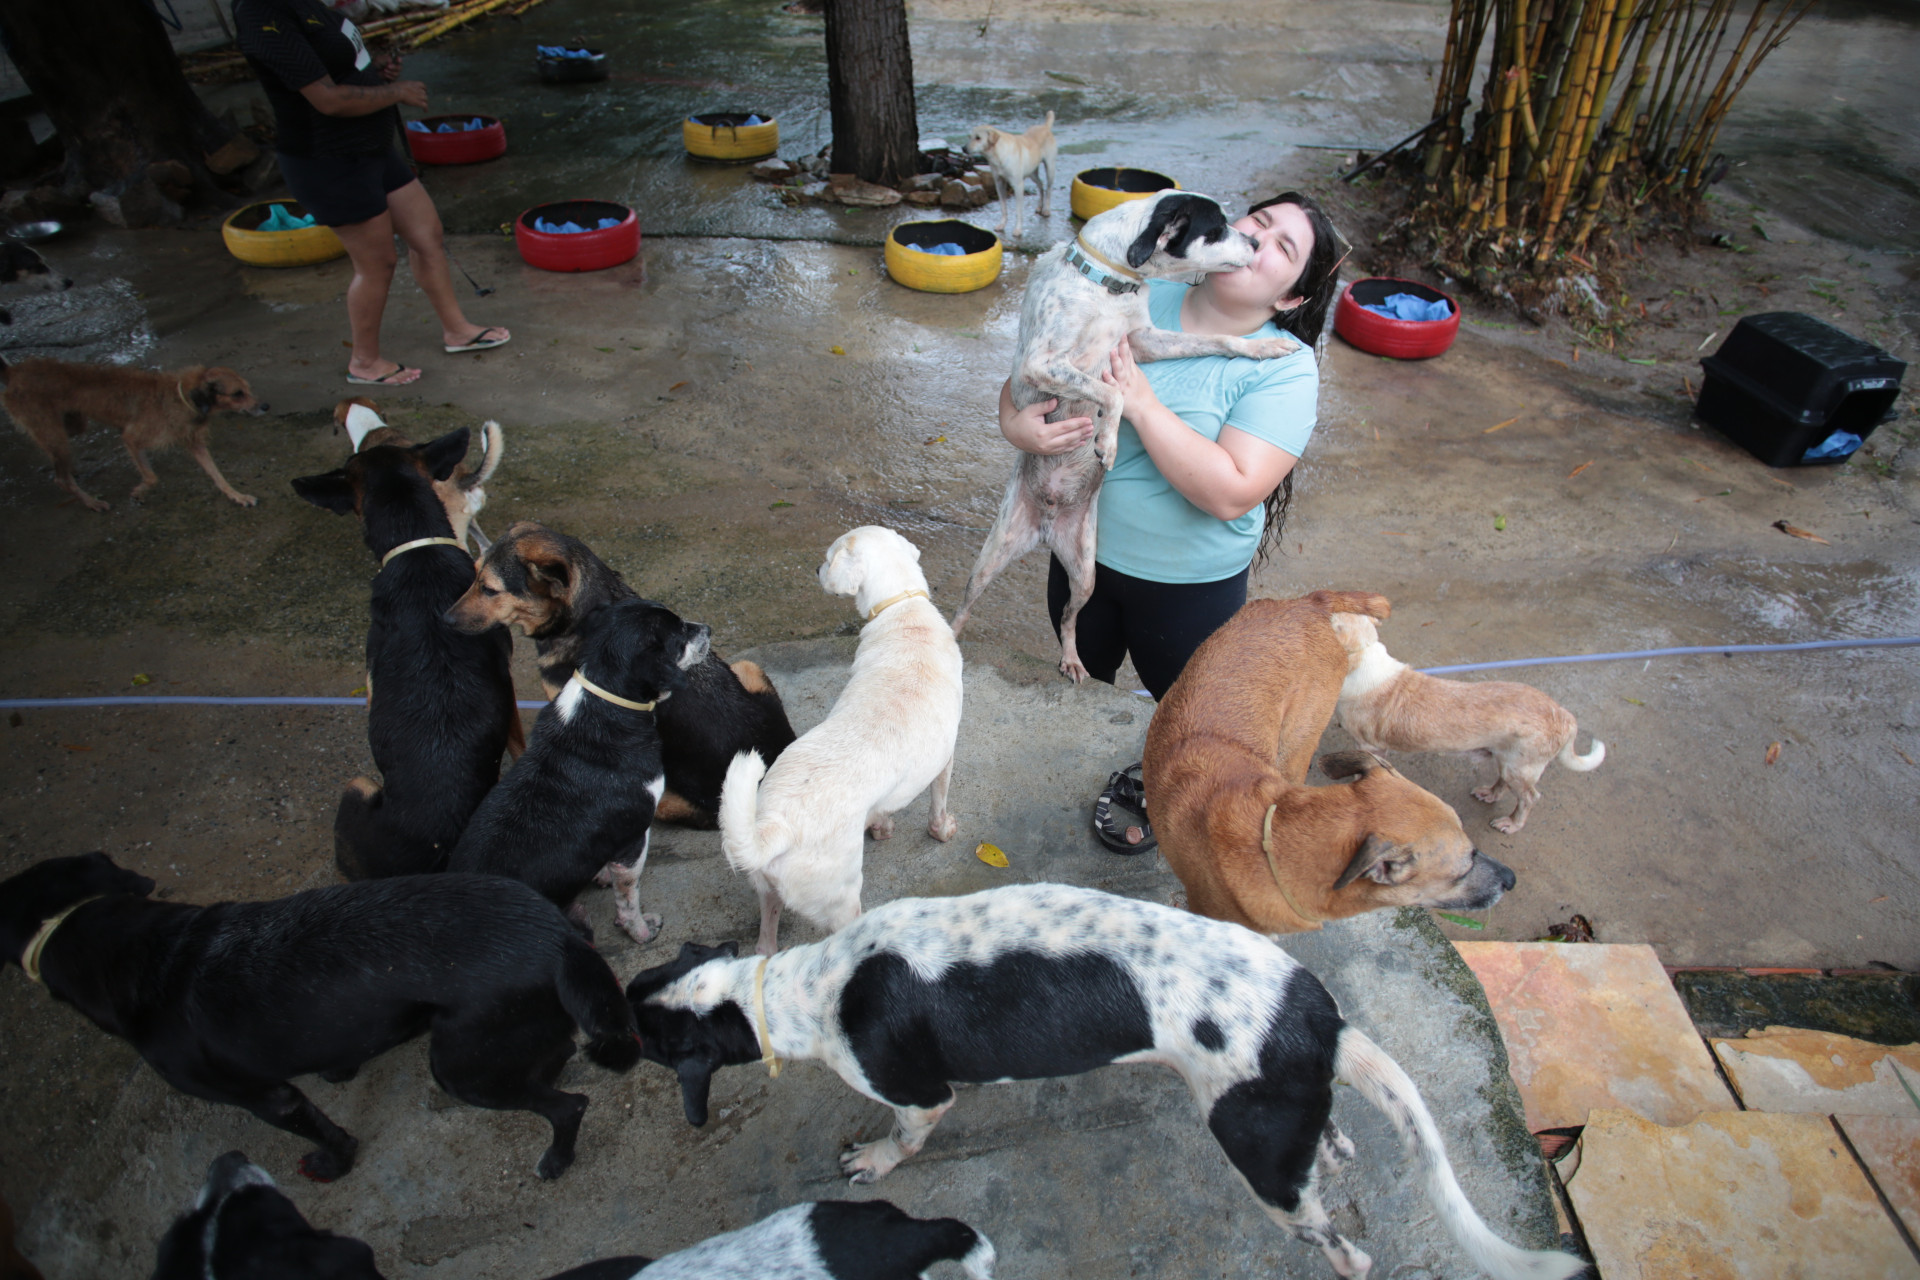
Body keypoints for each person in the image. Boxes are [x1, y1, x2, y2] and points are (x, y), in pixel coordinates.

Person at [994, 190, 1346, 851]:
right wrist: (1018, 425)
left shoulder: (1283, 366)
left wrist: (1145, 406)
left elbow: (1232, 492)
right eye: (1259, 223)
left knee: (1188, 718)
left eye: (1283, 248)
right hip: (1084, 556)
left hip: (1185, 587)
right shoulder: (1132, 286)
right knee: (1082, 683)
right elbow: (1027, 375)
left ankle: (1166, 790)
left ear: (1291, 299)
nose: (1257, 240)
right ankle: (1084, 764)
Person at [232, 0, 509, 386]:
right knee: (377, 263)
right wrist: (395, 91)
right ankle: (364, 361)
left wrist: (372, 72)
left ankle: (457, 330)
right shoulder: (263, 13)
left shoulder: (306, 3)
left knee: (426, 235)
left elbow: (333, 66)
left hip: (371, 149)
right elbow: (326, 99)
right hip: (330, 161)